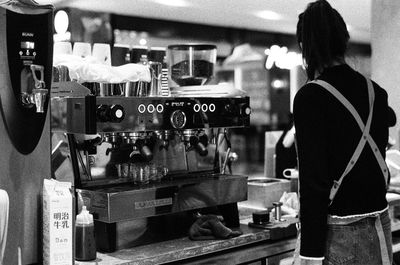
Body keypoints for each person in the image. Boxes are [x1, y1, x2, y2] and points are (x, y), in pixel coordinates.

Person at [293, 0, 394, 264]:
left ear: (306, 46)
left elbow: (313, 182)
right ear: (343, 39)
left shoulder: (311, 97)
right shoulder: (376, 93)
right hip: (379, 225)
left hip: (338, 235)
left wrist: (310, 255)